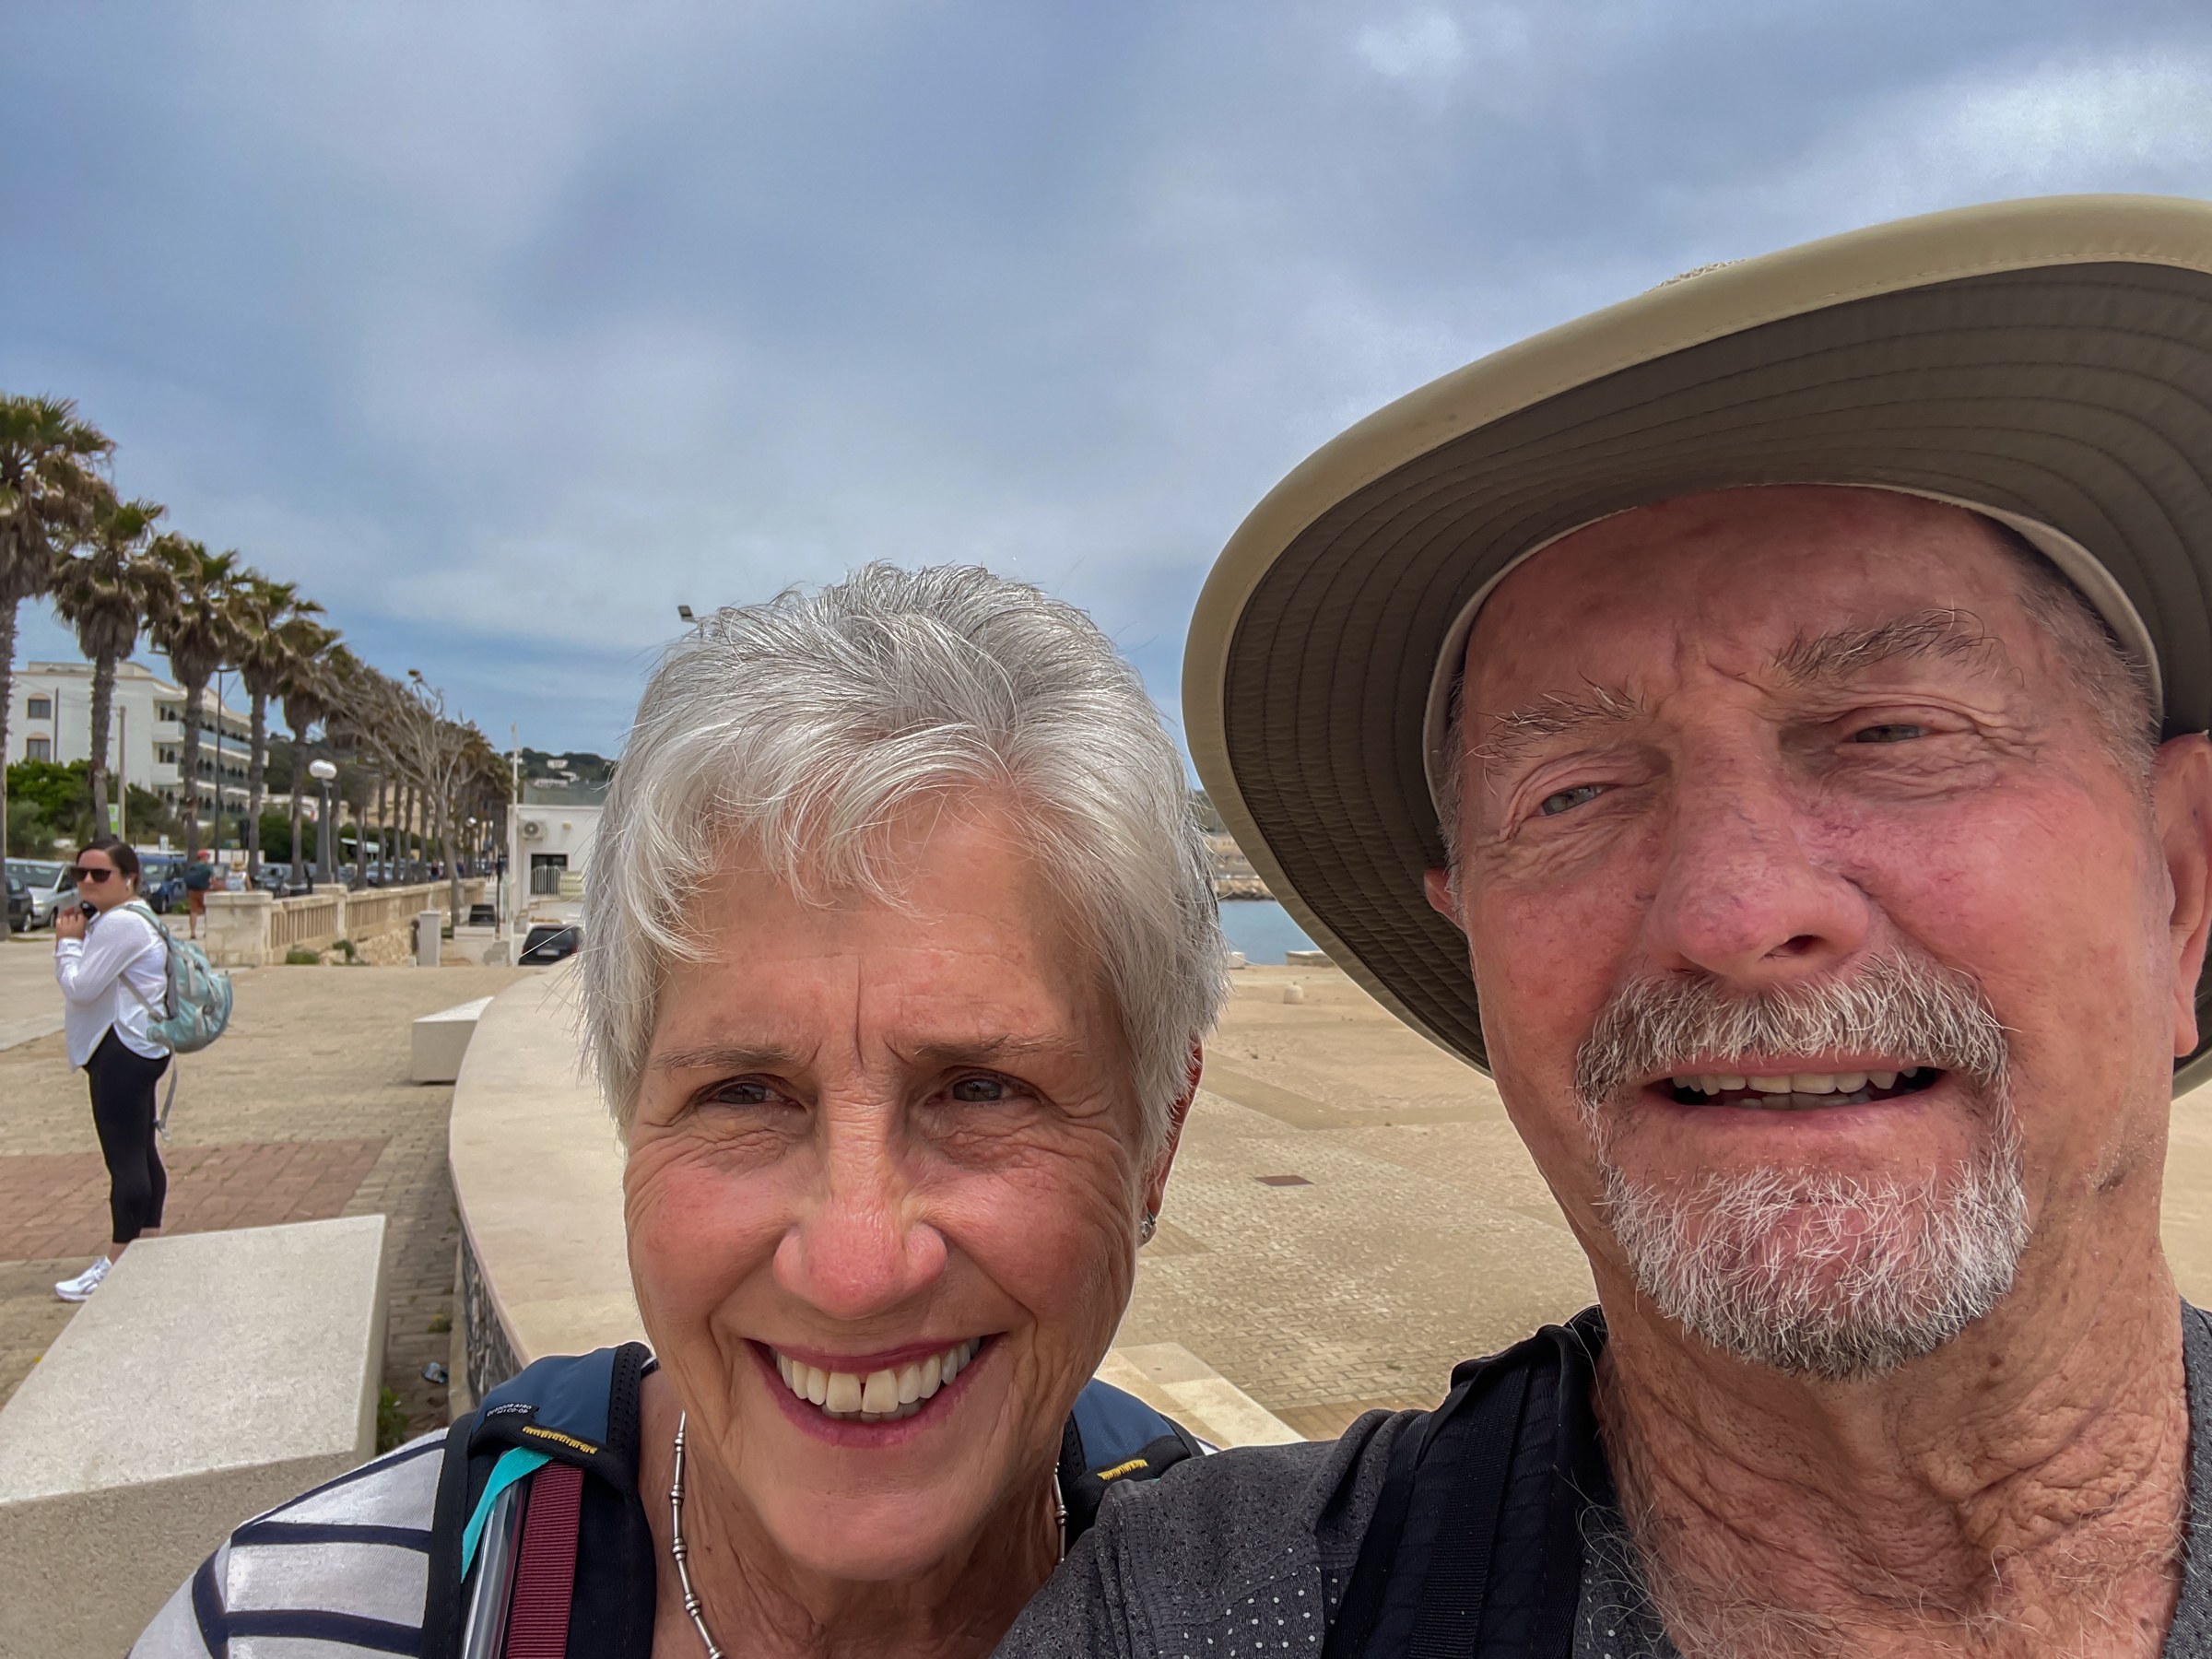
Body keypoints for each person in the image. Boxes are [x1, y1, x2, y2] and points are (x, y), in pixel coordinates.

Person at [1000, 196, 2212, 1657]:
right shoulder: (1205, 1615)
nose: (1737, 911)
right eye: (1573, 793)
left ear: (2183, 881)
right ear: (1476, 948)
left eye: (1892, 731)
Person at [133, 565, 1230, 1657]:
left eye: (982, 1091)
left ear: (1159, 1138)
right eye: (744, 1094)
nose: (855, 1272)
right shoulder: (282, 1630)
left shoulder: (1271, 1599)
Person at [51, 836, 171, 1303]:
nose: (87, 881)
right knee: (141, 1151)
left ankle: (117, 1261)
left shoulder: (121, 923)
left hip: (121, 1048)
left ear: (129, 879)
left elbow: (80, 987)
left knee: (125, 1160)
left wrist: (67, 945)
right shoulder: (134, 917)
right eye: (79, 873)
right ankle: (147, 1250)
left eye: (100, 874)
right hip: (139, 1044)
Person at [181, 849, 212, 939]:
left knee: (193, 912)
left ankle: (193, 933)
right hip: (204, 891)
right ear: (204, 857)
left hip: (192, 891)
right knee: (207, 912)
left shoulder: (193, 867)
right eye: (207, 856)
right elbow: (212, 880)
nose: (208, 858)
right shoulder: (207, 868)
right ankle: (207, 931)